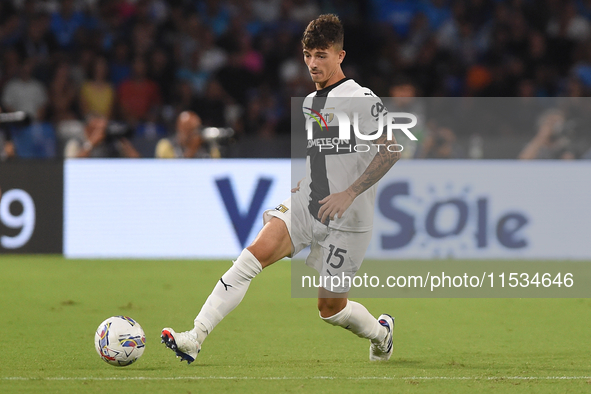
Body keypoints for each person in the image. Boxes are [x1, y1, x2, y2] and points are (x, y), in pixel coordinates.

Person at [161, 14, 399, 363]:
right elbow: (326, 152)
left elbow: (391, 149)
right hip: (308, 204)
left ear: (340, 56)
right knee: (250, 257)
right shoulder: (310, 103)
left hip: (349, 218)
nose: (313, 63)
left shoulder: (360, 98)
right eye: (307, 54)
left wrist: (348, 192)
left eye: (321, 55)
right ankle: (194, 337)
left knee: (330, 309)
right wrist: (306, 183)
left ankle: (381, 335)